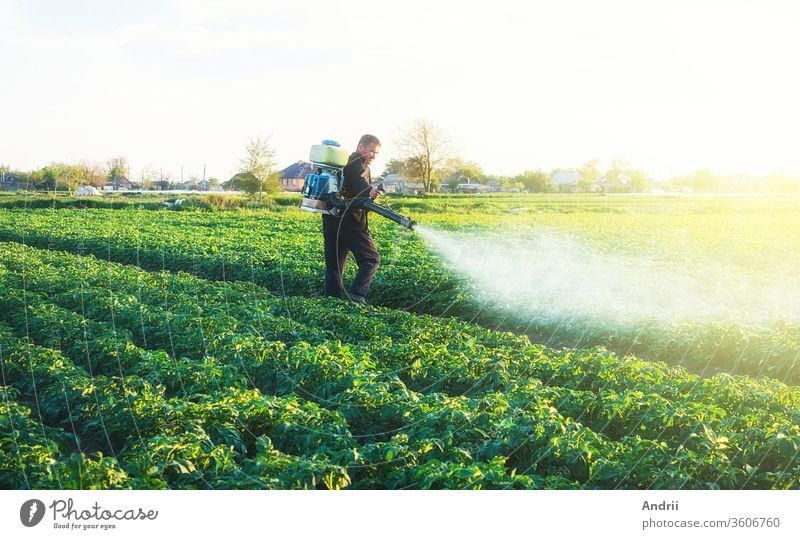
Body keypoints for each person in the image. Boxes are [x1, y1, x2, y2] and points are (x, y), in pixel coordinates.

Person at [322, 134, 382, 303]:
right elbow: (360, 183)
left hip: (331, 219)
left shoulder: (342, 163)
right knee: (371, 259)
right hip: (350, 221)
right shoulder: (358, 164)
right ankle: (356, 296)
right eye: (371, 151)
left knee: (334, 266)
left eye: (376, 153)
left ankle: (331, 302)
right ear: (361, 147)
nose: (373, 156)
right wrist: (370, 191)